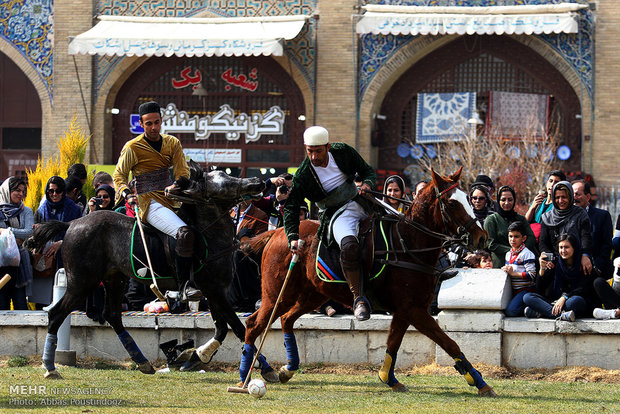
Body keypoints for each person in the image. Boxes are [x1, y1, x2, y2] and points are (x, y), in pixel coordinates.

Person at [283, 126, 376, 321]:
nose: (314, 156)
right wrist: (292, 237)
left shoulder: (343, 151)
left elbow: (367, 170)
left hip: (363, 202)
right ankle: (358, 298)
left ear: (328, 146)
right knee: (349, 245)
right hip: (337, 215)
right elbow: (291, 207)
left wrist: (367, 184)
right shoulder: (303, 175)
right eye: (310, 151)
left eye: (318, 151)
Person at [113, 100, 198, 301]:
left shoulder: (173, 143)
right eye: (148, 123)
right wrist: (127, 193)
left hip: (174, 199)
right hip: (149, 203)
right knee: (184, 234)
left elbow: (182, 172)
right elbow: (119, 176)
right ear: (141, 124)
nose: (153, 127)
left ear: (161, 121)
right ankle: (184, 286)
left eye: (156, 122)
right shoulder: (132, 147)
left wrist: (177, 184)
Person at [31, 176, 82, 308]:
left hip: (66, 257)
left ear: (64, 191)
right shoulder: (41, 210)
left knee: (64, 298)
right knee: (43, 300)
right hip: (46, 259)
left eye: (58, 191)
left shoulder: (74, 209)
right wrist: (39, 234)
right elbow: (33, 237)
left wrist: (61, 243)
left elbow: (80, 234)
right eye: (51, 191)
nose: (54, 194)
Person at [523, 234, 596, 321]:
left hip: (572, 300)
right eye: (561, 247)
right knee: (527, 297)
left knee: (576, 301)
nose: (563, 250)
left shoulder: (583, 264)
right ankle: (561, 315)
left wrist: (564, 297)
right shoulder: (555, 263)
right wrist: (542, 269)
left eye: (566, 247)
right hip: (555, 301)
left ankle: (544, 312)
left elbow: (582, 289)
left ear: (574, 248)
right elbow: (540, 289)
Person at [539, 181, 593, 276]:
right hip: (554, 263)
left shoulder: (580, 214)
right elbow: (543, 242)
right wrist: (548, 258)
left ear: (570, 197)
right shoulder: (547, 217)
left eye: (564, 197)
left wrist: (585, 255)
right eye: (557, 197)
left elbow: (585, 237)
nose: (560, 201)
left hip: (576, 262)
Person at [0, 177, 34, 310]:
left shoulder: (26, 211)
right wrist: (16, 239)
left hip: (20, 265)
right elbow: (22, 234)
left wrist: (6, 232)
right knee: (1, 306)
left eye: (23, 191)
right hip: (1, 265)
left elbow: (29, 232)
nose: (20, 194)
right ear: (7, 191)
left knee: (21, 305)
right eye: (17, 190)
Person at [484, 185, 537, 268]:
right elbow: (491, 244)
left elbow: (531, 238)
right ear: (498, 200)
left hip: (521, 265)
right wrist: (512, 250)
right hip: (500, 265)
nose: (506, 203)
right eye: (503, 199)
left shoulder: (521, 219)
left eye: (510, 199)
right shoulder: (491, 220)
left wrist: (521, 251)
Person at [572, 179, 613, 279]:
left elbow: (607, 245)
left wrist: (597, 268)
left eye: (578, 194)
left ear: (588, 197)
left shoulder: (602, 216)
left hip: (594, 273)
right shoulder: (565, 216)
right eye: (572, 194)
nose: (574, 197)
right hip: (572, 272)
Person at [501, 222, 537, 317]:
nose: (513, 239)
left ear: (523, 238)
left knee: (511, 311)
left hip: (525, 290)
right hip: (513, 290)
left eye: (516, 236)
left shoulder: (527, 254)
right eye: (510, 236)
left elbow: (532, 275)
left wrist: (513, 273)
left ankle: (534, 308)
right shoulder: (508, 254)